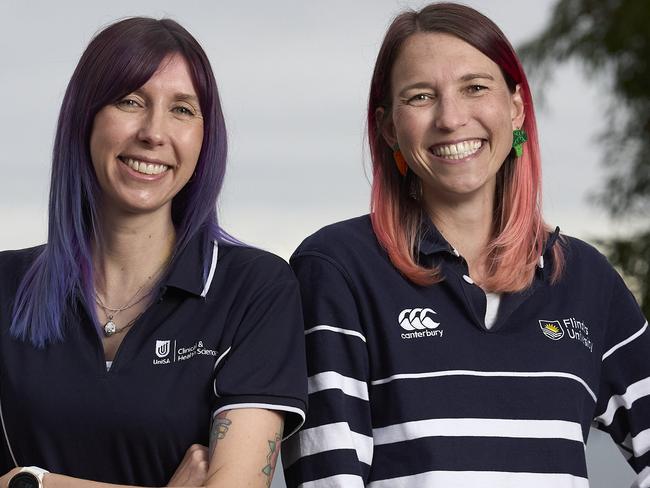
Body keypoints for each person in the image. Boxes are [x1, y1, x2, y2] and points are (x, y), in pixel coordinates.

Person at [283, 3, 649, 487]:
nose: (451, 118)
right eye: (420, 97)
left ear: (516, 108)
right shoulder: (336, 268)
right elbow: (326, 478)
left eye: (475, 87)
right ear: (389, 126)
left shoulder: (584, 278)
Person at [0, 17, 306, 488]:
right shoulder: (5, 285)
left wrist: (34, 483)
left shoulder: (255, 289)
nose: (153, 132)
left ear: (205, 138)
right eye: (130, 101)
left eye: (182, 110)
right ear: (85, 118)